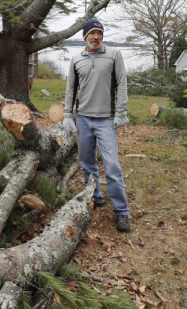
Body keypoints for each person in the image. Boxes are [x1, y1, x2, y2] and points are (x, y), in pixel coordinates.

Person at [62, 18, 131, 232]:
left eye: (99, 33)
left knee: (112, 166)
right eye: (92, 33)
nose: (96, 37)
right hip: (83, 119)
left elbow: (122, 83)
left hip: (107, 120)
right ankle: (95, 196)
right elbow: (71, 89)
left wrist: (120, 113)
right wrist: (67, 115)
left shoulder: (113, 55)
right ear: (85, 37)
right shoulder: (76, 60)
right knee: (86, 161)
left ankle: (121, 211)